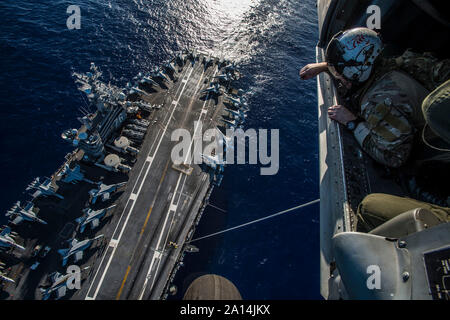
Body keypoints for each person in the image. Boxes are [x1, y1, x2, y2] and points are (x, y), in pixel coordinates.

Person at [300, 27, 450, 168]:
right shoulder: (400, 60)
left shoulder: (377, 102)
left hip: (438, 146)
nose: (339, 78)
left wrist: (353, 123)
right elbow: (362, 64)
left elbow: (393, 157)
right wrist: (327, 66)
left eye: (340, 73)